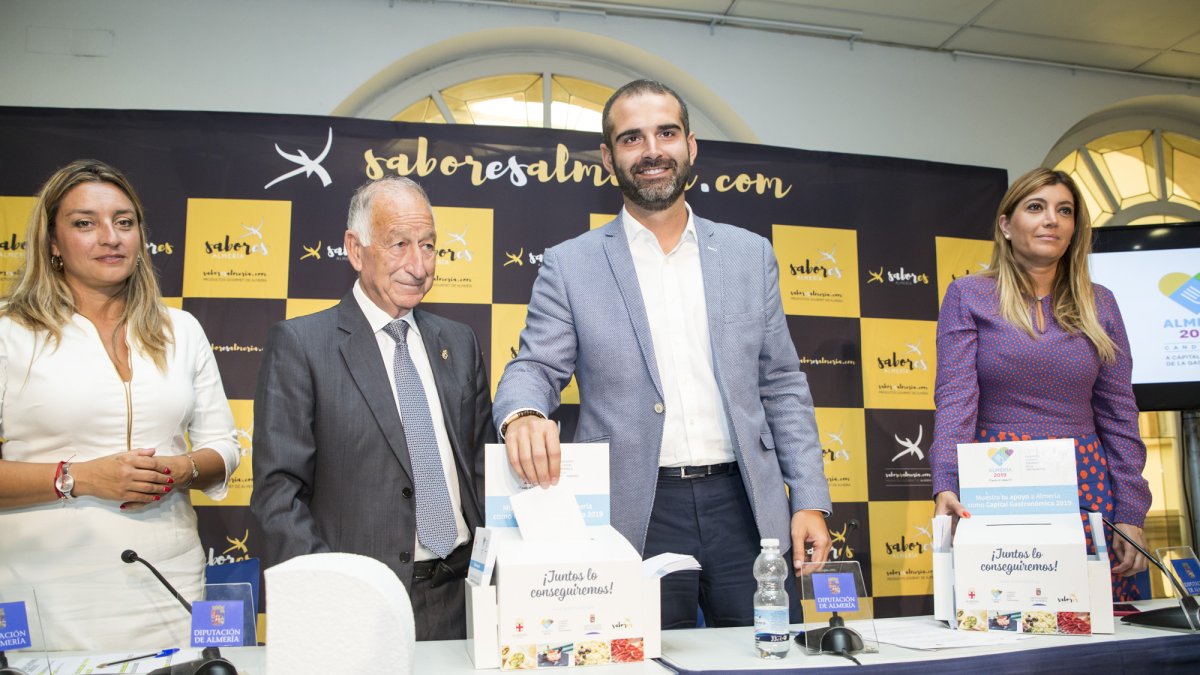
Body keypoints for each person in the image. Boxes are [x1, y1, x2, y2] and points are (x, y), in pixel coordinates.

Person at [494, 79, 832, 629]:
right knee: (640, 662)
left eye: (666, 133)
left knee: (763, 661)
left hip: (746, 506)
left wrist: (810, 499)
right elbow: (534, 366)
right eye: (632, 138)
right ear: (609, 158)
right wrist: (524, 413)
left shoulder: (751, 255)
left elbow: (783, 386)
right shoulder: (569, 265)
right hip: (634, 510)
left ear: (690, 146)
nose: (651, 151)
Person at [0, 159, 239, 650]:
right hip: (47, 590)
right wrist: (79, 478)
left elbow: (224, 448)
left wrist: (182, 468)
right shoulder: (9, 332)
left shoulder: (181, 329)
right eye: (85, 223)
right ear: (51, 243)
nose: (110, 237)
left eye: (124, 222)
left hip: (170, 582)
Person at [250, 176, 492, 640]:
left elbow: (481, 470)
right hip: (356, 608)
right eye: (398, 244)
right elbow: (279, 493)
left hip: (462, 600)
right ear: (355, 249)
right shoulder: (301, 345)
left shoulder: (459, 343)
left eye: (428, 246)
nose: (418, 265)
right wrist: (329, 594)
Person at [930, 168, 1151, 599]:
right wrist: (947, 485)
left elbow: (1119, 412)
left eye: (1064, 211)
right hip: (997, 485)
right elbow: (955, 400)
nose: (1052, 219)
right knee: (1006, 616)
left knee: (1098, 628)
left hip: (1086, 484)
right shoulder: (969, 296)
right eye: (1036, 207)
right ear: (1006, 224)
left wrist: (1130, 511)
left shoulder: (1099, 301)